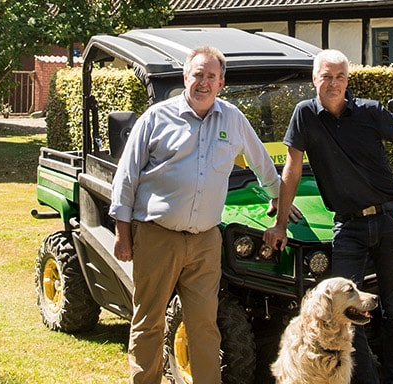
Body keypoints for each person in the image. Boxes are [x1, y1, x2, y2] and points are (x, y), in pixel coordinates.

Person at [109, 46, 292, 384]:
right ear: (185, 78)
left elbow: (262, 164)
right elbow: (127, 175)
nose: (203, 82)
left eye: (211, 76)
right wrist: (123, 233)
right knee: (149, 321)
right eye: (198, 75)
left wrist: (280, 198)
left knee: (204, 326)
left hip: (206, 241)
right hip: (156, 234)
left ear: (221, 83)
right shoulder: (156, 117)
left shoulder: (233, 119)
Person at [262, 49, 393, 384]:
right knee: (345, 311)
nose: (333, 83)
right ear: (314, 79)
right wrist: (280, 222)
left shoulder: (369, 111)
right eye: (326, 76)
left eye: (340, 76)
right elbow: (292, 171)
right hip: (349, 226)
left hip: (389, 218)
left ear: (348, 80)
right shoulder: (304, 115)